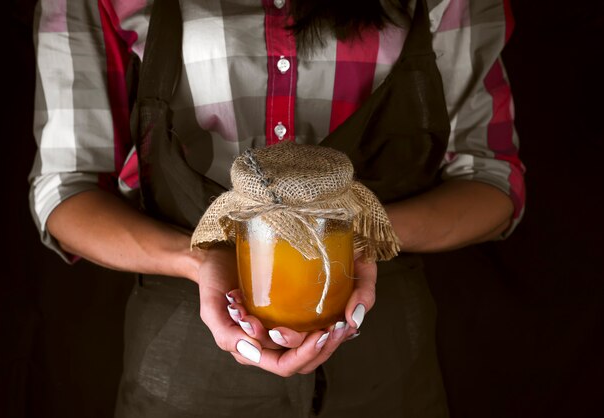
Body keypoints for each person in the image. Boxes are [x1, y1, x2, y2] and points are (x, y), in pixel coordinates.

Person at [29, 0, 524, 416]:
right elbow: (66, 189)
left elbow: (492, 179)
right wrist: (197, 259)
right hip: (185, 360)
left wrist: (366, 232)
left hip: (385, 356)